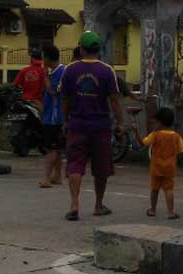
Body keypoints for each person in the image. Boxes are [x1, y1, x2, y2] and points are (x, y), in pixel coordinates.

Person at [60, 31, 124, 221]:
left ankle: (74, 204)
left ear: (81, 48)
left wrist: (65, 121)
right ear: (98, 50)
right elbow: (115, 100)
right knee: (101, 167)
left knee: (75, 165)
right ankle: (98, 205)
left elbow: (65, 99)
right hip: (101, 126)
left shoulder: (70, 70)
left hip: (77, 124)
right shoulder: (107, 71)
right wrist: (120, 123)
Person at [133, 107, 183, 220]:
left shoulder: (155, 135)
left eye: (156, 121)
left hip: (156, 168)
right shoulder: (176, 136)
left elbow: (143, 143)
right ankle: (171, 212)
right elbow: (181, 150)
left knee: (154, 189)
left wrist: (136, 132)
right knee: (169, 189)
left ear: (159, 122)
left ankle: (152, 210)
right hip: (169, 168)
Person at [38, 45, 66, 188]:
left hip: (55, 117)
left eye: (43, 57)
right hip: (54, 115)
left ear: (48, 58)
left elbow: (53, 90)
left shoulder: (61, 72)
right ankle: (57, 176)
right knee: (58, 148)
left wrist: (45, 75)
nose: (42, 60)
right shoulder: (55, 71)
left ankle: (46, 178)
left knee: (52, 148)